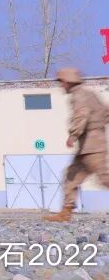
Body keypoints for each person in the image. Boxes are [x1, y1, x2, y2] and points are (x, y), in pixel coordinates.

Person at [44, 67, 109, 222]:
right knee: (71, 175)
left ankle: (66, 211)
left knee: (105, 178)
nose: (61, 86)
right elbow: (105, 112)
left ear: (68, 81)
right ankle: (66, 212)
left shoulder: (79, 96)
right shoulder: (89, 94)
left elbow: (81, 114)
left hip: (92, 145)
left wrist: (73, 135)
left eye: (62, 82)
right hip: (89, 144)